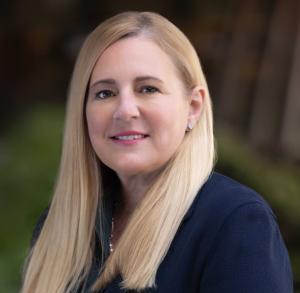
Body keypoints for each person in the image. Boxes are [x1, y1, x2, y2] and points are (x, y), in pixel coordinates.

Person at [21, 11, 293, 293]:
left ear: (193, 107)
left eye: (147, 88)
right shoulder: (60, 225)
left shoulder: (234, 223)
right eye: (104, 93)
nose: (125, 110)